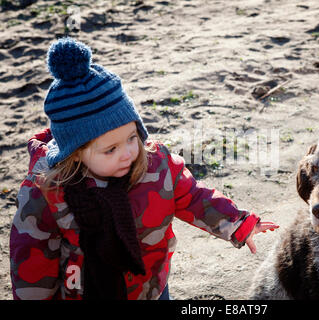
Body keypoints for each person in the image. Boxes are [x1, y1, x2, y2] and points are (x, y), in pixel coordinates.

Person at [9, 38, 278, 300]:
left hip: (151, 287)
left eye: (131, 137)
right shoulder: (46, 192)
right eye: (110, 149)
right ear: (75, 154)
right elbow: (31, 263)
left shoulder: (156, 165)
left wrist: (237, 223)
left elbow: (195, 197)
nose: (127, 153)